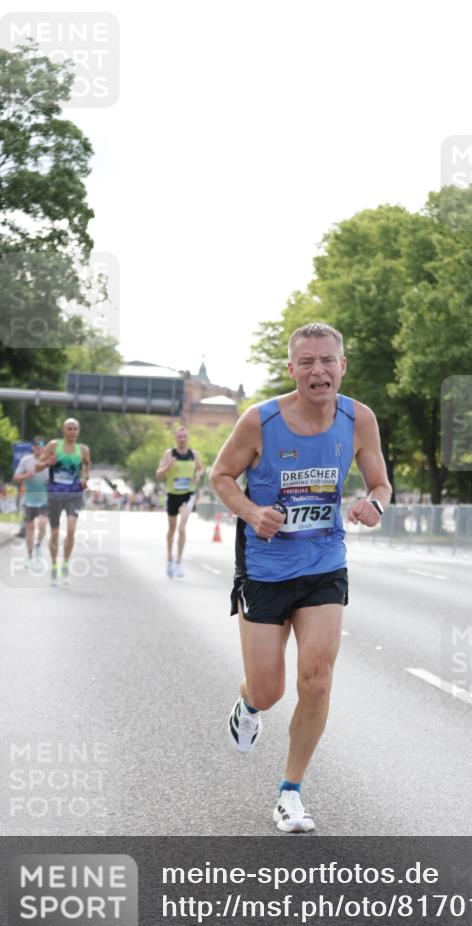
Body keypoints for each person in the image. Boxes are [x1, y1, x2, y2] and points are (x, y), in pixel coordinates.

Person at [210, 323, 391, 833]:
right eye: (307, 362)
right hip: (265, 568)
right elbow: (220, 476)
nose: (319, 370)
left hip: (323, 562)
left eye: (328, 360)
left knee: (317, 679)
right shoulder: (259, 421)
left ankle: (290, 791)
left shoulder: (359, 419)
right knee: (269, 690)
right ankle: (248, 704)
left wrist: (374, 503)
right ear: (291, 369)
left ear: (342, 365)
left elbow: (380, 481)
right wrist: (250, 512)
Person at [36, 418, 91, 586]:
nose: (72, 432)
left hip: (74, 494)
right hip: (55, 494)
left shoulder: (83, 449)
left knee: (72, 529)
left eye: (75, 429)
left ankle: (65, 565)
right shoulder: (54, 446)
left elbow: (87, 466)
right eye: (69, 429)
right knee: (54, 533)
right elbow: (37, 467)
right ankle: (54, 566)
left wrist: (84, 479)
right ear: (63, 430)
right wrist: (47, 463)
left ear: (78, 431)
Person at [155, 426, 203, 577]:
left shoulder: (194, 454)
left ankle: (179, 562)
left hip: (187, 494)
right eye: (179, 437)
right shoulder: (169, 454)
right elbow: (158, 475)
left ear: (188, 439)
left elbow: (200, 469)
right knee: (172, 529)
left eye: (185, 437)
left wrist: (197, 476)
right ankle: (169, 558)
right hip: (172, 495)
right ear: (176, 438)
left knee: (182, 527)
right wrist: (168, 466)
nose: (182, 439)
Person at [13, 436, 49, 567]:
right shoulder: (26, 460)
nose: (39, 448)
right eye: (37, 446)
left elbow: (54, 481)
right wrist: (25, 476)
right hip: (29, 500)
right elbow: (16, 476)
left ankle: (38, 545)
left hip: (44, 499)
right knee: (30, 529)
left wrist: (49, 483)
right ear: (33, 447)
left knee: (43, 525)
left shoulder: (48, 463)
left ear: (44, 448)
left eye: (41, 446)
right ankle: (29, 556)